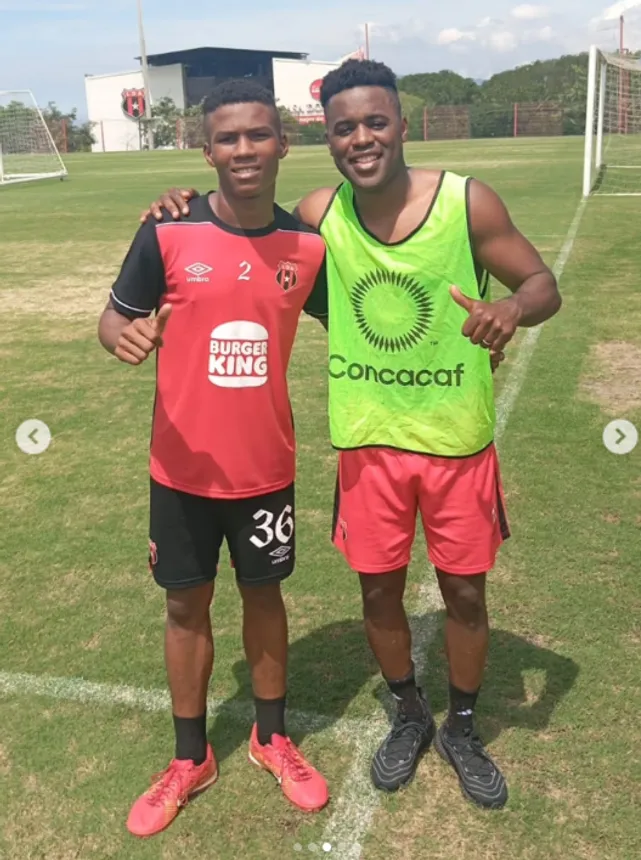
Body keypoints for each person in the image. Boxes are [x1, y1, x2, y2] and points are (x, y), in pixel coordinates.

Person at [141, 59, 561, 811]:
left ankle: (461, 728)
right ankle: (406, 711)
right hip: (366, 444)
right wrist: (178, 205)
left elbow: (541, 285)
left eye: (375, 122)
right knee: (378, 594)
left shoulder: (467, 201)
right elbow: (246, 234)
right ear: (325, 139)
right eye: (344, 128)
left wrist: (510, 312)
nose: (361, 138)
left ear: (401, 124)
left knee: (464, 595)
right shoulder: (317, 216)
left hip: (456, 443)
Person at [98, 79, 329, 839]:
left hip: (266, 468)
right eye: (227, 138)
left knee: (264, 599)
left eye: (257, 136)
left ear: (281, 144)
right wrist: (121, 338)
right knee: (184, 606)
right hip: (181, 472)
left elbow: (365, 316)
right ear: (206, 151)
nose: (243, 150)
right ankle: (190, 758)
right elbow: (115, 317)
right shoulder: (166, 232)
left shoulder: (307, 247)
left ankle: (270, 739)